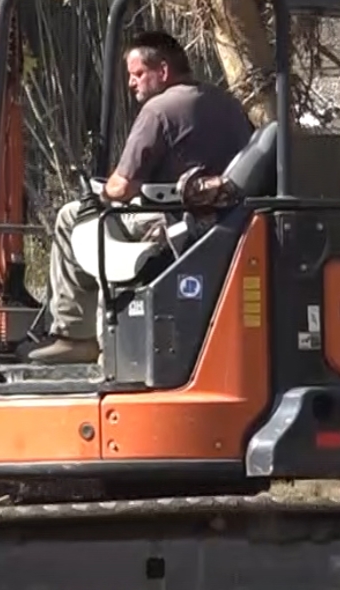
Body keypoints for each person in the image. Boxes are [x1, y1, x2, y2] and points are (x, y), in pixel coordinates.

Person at [24, 29, 255, 365]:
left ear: (162, 71)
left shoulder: (160, 110)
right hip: (222, 217)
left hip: (173, 221)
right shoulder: (227, 103)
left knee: (71, 216)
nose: (131, 83)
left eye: (137, 74)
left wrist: (98, 191)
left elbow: (123, 186)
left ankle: (74, 335)